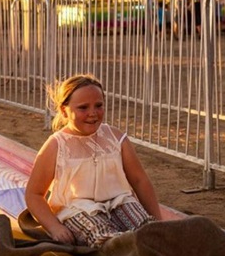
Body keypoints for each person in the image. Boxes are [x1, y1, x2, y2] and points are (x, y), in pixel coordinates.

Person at [25, 75, 162, 245]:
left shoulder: (115, 138)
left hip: (119, 202)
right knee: (106, 237)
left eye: (98, 106)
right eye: (83, 108)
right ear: (63, 111)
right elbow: (34, 194)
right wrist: (54, 227)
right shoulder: (56, 145)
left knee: (148, 230)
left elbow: (139, 180)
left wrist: (158, 223)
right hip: (78, 210)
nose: (92, 113)